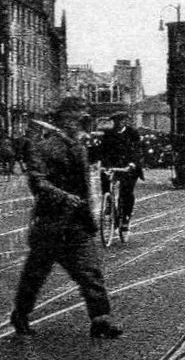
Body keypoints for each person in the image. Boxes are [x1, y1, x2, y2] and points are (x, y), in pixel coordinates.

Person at [10, 97, 122, 338]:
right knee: (35, 275)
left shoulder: (79, 147)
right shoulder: (43, 147)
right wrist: (63, 197)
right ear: (62, 120)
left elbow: (83, 184)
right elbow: (37, 181)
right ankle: (20, 314)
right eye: (74, 118)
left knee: (91, 272)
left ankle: (101, 319)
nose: (78, 124)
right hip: (51, 223)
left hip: (77, 224)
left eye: (81, 119)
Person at [95, 110, 143, 235]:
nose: (119, 123)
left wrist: (133, 163)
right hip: (113, 164)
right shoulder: (108, 134)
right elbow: (103, 150)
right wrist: (101, 163)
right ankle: (109, 204)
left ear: (126, 121)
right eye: (117, 121)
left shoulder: (133, 133)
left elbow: (137, 150)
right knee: (104, 178)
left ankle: (125, 218)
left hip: (129, 166)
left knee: (126, 192)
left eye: (122, 120)